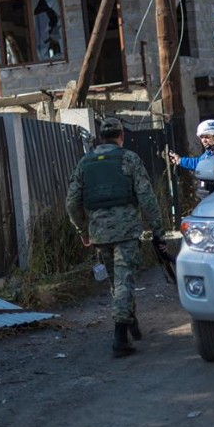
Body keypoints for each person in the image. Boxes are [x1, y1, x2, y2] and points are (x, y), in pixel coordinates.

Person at [66, 117, 168, 358]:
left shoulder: (85, 163)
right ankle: (120, 338)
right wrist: (158, 231)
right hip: (126, 232)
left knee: (117, 282)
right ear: (121, 136)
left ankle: (130, 322)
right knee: (124, 281)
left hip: (99, 233)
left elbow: (71, 203)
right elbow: (147, 197)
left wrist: (83, 231)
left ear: (101, 138)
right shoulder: (129, 158)